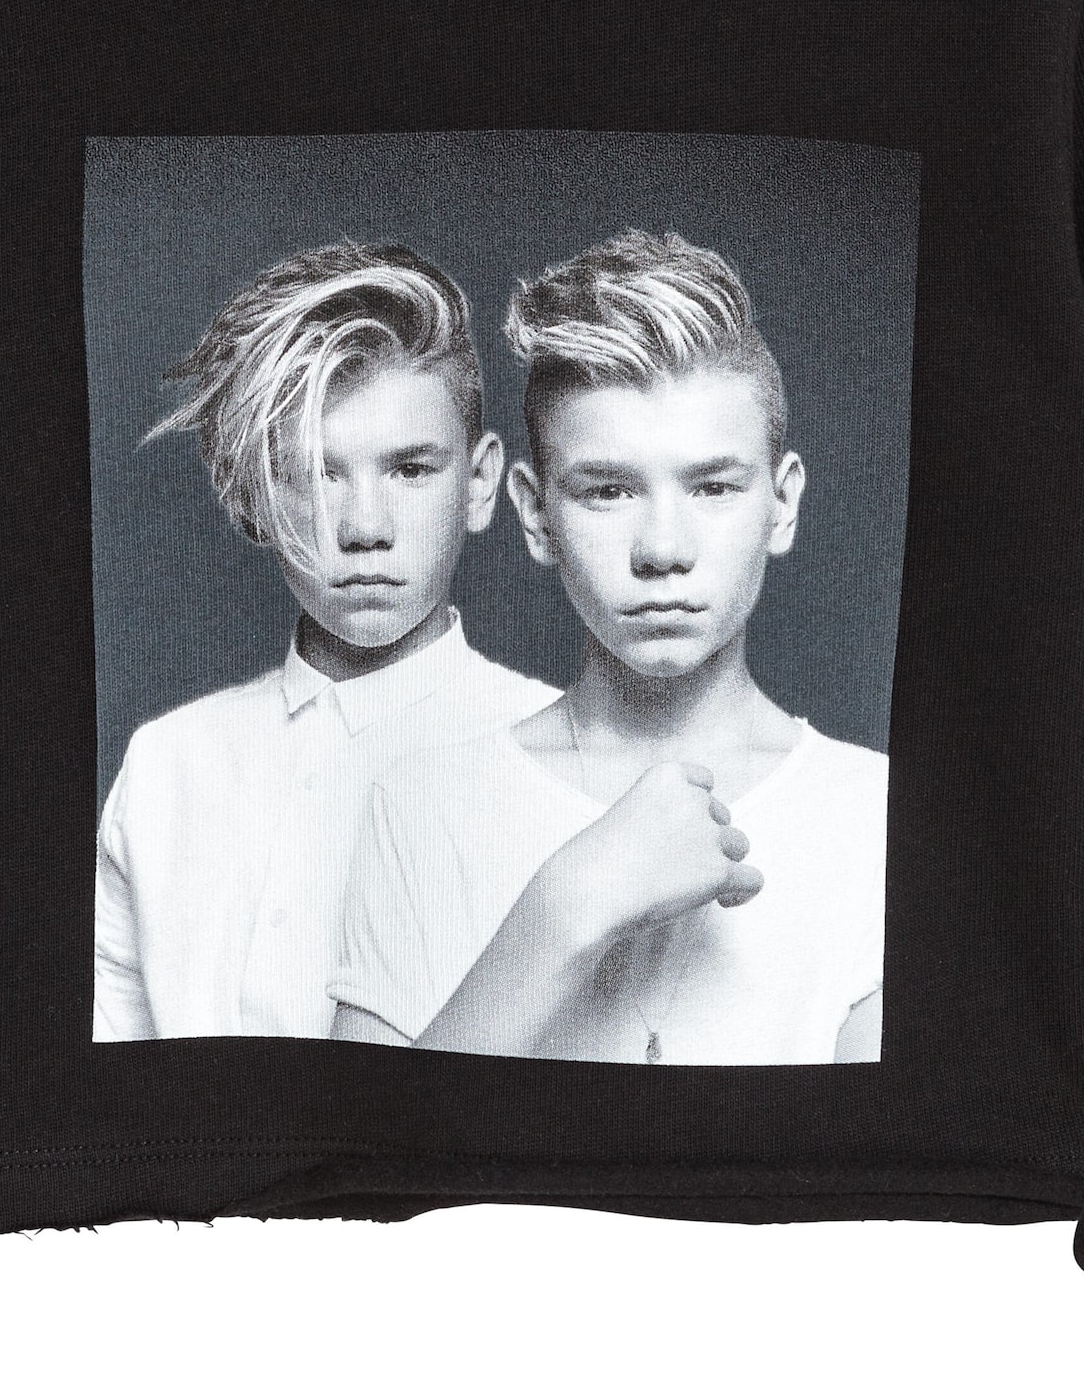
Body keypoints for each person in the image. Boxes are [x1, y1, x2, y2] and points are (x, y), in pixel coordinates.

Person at [330, 229, 886, 1064]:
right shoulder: (423, 808)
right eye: (609, 490)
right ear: (534, 513)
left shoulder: (876, 818)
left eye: (713, 486)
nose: (662, 548)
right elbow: (364, 1141)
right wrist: (568, 906)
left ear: (783, 503)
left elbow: (879, 1147)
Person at [94, 243, 556, 1041]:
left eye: (411, 469)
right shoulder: (169, 764)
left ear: (479, 484)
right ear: (253, 497)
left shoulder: (556, 758)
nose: (365, 527)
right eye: (314, 472)